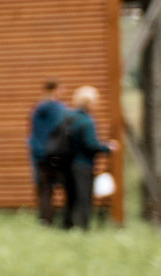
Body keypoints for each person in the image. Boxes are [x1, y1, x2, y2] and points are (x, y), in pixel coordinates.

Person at [40, 85, 113, 231]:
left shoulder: (67, 117)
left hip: (65, 164)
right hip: (82, 165)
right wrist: (108, 147)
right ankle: (83, 227)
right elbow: (91, 144)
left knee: (70, 197)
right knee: (84, 197)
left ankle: (67, 226)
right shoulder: (86, 121)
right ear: (89, 103)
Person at [27, 78, 69, 225]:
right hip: (56, 154)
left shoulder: (37, 109)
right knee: (66, 186)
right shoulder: (60, 109)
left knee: (44, 189)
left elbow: (33, 133)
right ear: (55, 90)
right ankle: (67, 220)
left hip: (39, 155)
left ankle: (46, 220)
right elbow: (65, 129)